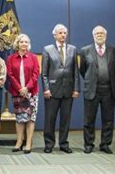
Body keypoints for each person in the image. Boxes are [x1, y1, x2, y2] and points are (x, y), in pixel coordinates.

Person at [41, 24, 80, 154]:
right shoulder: (47, 49)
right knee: (50, 119)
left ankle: (63, 143)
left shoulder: (73, 49)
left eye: (65, 33)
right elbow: (44, 73)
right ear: (55, 35)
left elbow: (75, 70)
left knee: (65, 119)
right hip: (52, 90)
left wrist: (76, 89)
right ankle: (49, 144)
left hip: (68, 90)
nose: (63, 35)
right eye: (60, 33)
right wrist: (46, 89)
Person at [79, 26, 115, 154]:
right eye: (97, 33)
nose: (99, 35)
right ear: (93, 36)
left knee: (108, 119)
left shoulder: (113, 50)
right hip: (92, 89)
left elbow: (112, 69)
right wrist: (92, 81)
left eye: (102, 33)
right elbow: (82, 70)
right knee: (89, 119)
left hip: (108, 90)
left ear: (105, 36)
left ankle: (105, 144)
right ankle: (89, 144)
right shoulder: (85, 50)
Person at [6, 34, 39, 154]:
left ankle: (28, 142)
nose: (24, 44)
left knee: (30, 118)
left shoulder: (33, 57)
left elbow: (36, 74)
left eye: (26, 42)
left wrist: (27, 88)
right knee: (20, 118)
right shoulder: (10, 58)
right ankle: (19, 141)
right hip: (17, 92)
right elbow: (10, 74)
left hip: (32, 93)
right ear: (17, 44)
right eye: (21, 42)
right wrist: (20, 88)